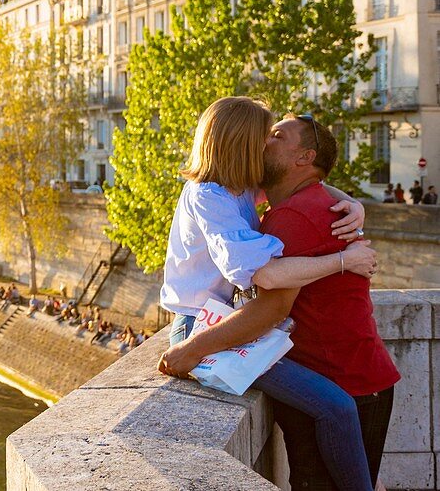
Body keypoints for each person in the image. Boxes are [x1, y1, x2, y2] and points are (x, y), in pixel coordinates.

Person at [164, 114, 398, 489]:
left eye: (275, 136)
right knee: (334, 416)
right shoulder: (213, 196)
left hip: (229, 327)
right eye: (264, 135)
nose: (265, 143)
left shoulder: (251, 196)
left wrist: (354, 202)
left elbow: (271, 304)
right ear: (239, 142)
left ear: (302, 157)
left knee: (333, 420)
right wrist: (343, 259)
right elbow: (267, 278)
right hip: (202, 323)